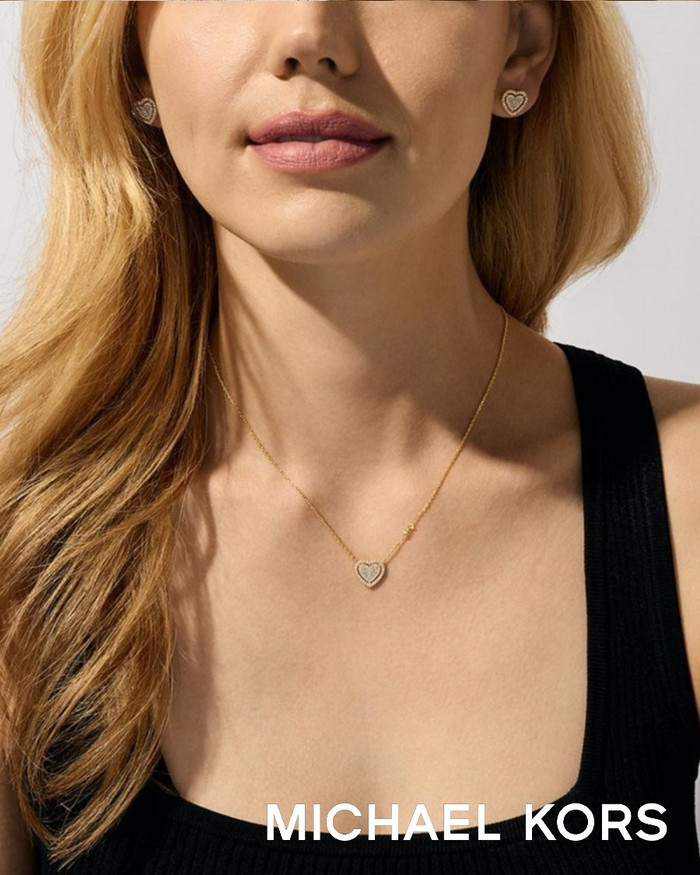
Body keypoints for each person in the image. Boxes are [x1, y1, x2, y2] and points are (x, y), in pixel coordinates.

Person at [1, 1, 699, 872]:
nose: (310, 38)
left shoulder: (688, 495)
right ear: (132, 60)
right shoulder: (18, 554)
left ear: (522, 44)